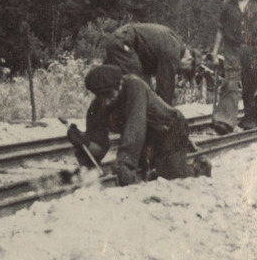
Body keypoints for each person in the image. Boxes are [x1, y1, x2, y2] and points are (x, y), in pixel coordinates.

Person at [66, 65, 210, 186]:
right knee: (149, 175)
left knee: (171, 177)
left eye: (110, 95)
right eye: (101, 96)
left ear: (120, 84)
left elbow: (136, 126)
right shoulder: (97, 107)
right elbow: (99, 146)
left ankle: (200, 168)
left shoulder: (134, 86)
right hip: (145, 140)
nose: (107, 102)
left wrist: (125, 163)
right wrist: (82, 141)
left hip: (170, 130)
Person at [210, 0, 257, 134]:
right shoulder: (227, 4)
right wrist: (215, 52)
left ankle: (251, 120)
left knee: (252, 87)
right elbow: (220, 29)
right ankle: (224, 121)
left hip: (254, 51)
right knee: (231, 82)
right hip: (233, 50)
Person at [102, 23, 199, 105]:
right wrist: (167, 113)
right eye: (183, 71)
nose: (178, 71)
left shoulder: (170, 42)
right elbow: (165, 87)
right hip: (124, 41)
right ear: (189, 59)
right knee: (138, 90)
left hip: (116, 39)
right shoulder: (174, 49)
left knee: (120, 89)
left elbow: (146, 77)